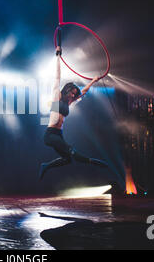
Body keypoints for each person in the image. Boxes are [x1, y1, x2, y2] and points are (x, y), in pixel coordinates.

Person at [39, 46, 108, 180]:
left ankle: (46, 166)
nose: (73, 95)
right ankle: (92, 161)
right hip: (50, 134)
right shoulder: (56, 97)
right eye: (72, 92)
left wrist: (93, 81)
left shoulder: (69, 103)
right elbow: (57, 77)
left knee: (68, 159)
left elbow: (83, 92)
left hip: (59, 134)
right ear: (67, 90)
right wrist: (58, 56)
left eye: (74, 94)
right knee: (71, 150)